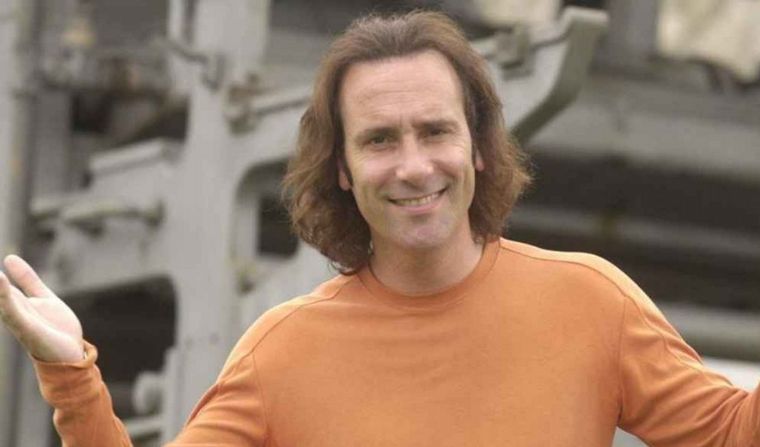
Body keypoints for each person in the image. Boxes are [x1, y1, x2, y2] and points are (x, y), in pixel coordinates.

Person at [1, 10, 759, 447]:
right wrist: (72, 376)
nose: (413, 165)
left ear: (478, 147)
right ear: (341, 168)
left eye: (435, 131)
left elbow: (732, 432)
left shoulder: (591, 303)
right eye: (380, 140)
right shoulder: (282, 353)